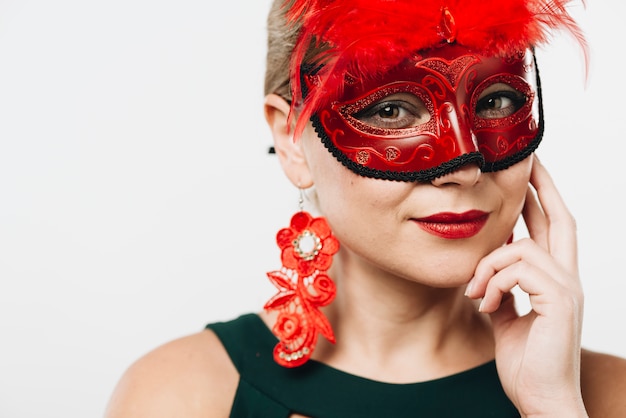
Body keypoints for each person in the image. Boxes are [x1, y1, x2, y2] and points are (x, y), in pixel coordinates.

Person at [104, 0, 626, 417]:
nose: (464, 167)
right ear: (291, 141)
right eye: (391, 109)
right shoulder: (179, 398)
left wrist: (553, 409)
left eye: (494, 101)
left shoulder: (606, 398)